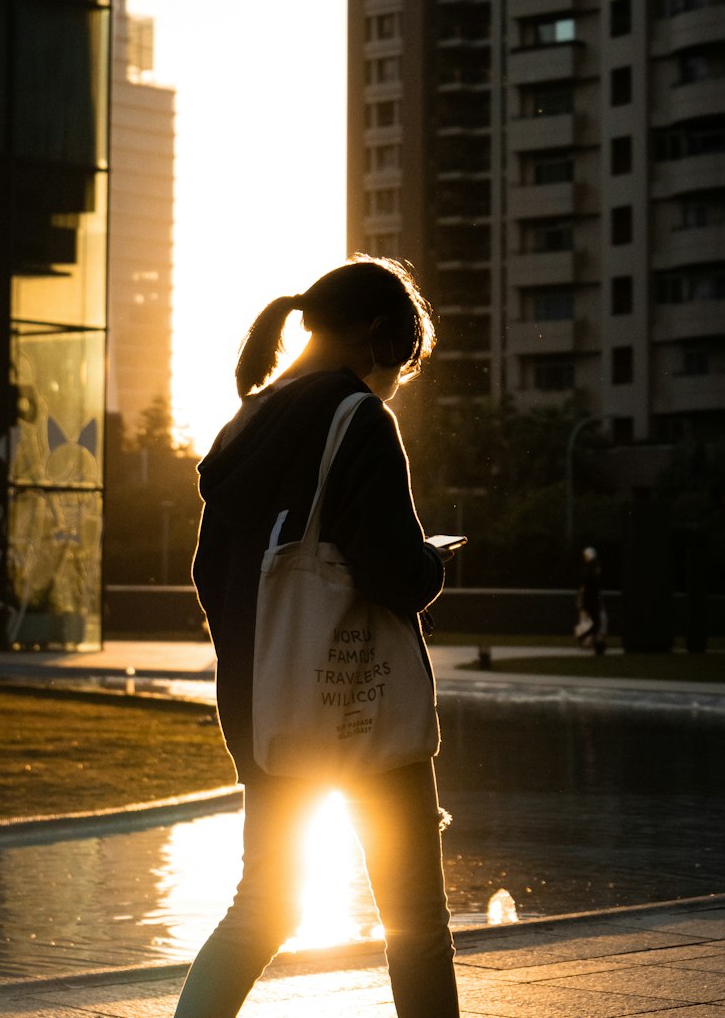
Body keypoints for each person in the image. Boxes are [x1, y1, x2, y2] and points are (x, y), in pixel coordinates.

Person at [174, 256, 461, 1018]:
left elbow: (210, 575)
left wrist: (265, 661)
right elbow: (391, 572)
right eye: (399, 360)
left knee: (262, 908)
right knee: (416, 921)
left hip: (267, 707)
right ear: (374, 336)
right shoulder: (358, 418)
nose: (395, 380)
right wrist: (432, 563)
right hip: (363, 704)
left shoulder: (243, 422)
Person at [575, 544, 608, 655]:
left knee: (596, 625)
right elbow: (590, 592)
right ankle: (585, 639)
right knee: (597, 624)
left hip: (590, 603)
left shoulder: (589, 574)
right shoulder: (591, 576)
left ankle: (595, 644)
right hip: (592, 603)